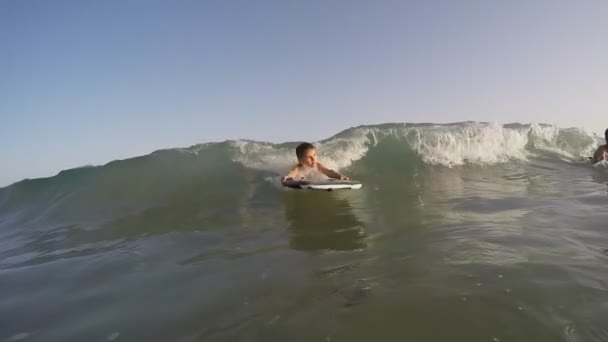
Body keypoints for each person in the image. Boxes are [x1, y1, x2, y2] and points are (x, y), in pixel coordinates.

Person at [281, 142, 350, 185]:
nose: (313, 159)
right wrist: (288, 177)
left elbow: (328, 171)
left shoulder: (317, 165)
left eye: (314, 155)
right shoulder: (299, 166)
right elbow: (293, 172)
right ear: (300, 160)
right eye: (309, 157)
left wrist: (339, 176)